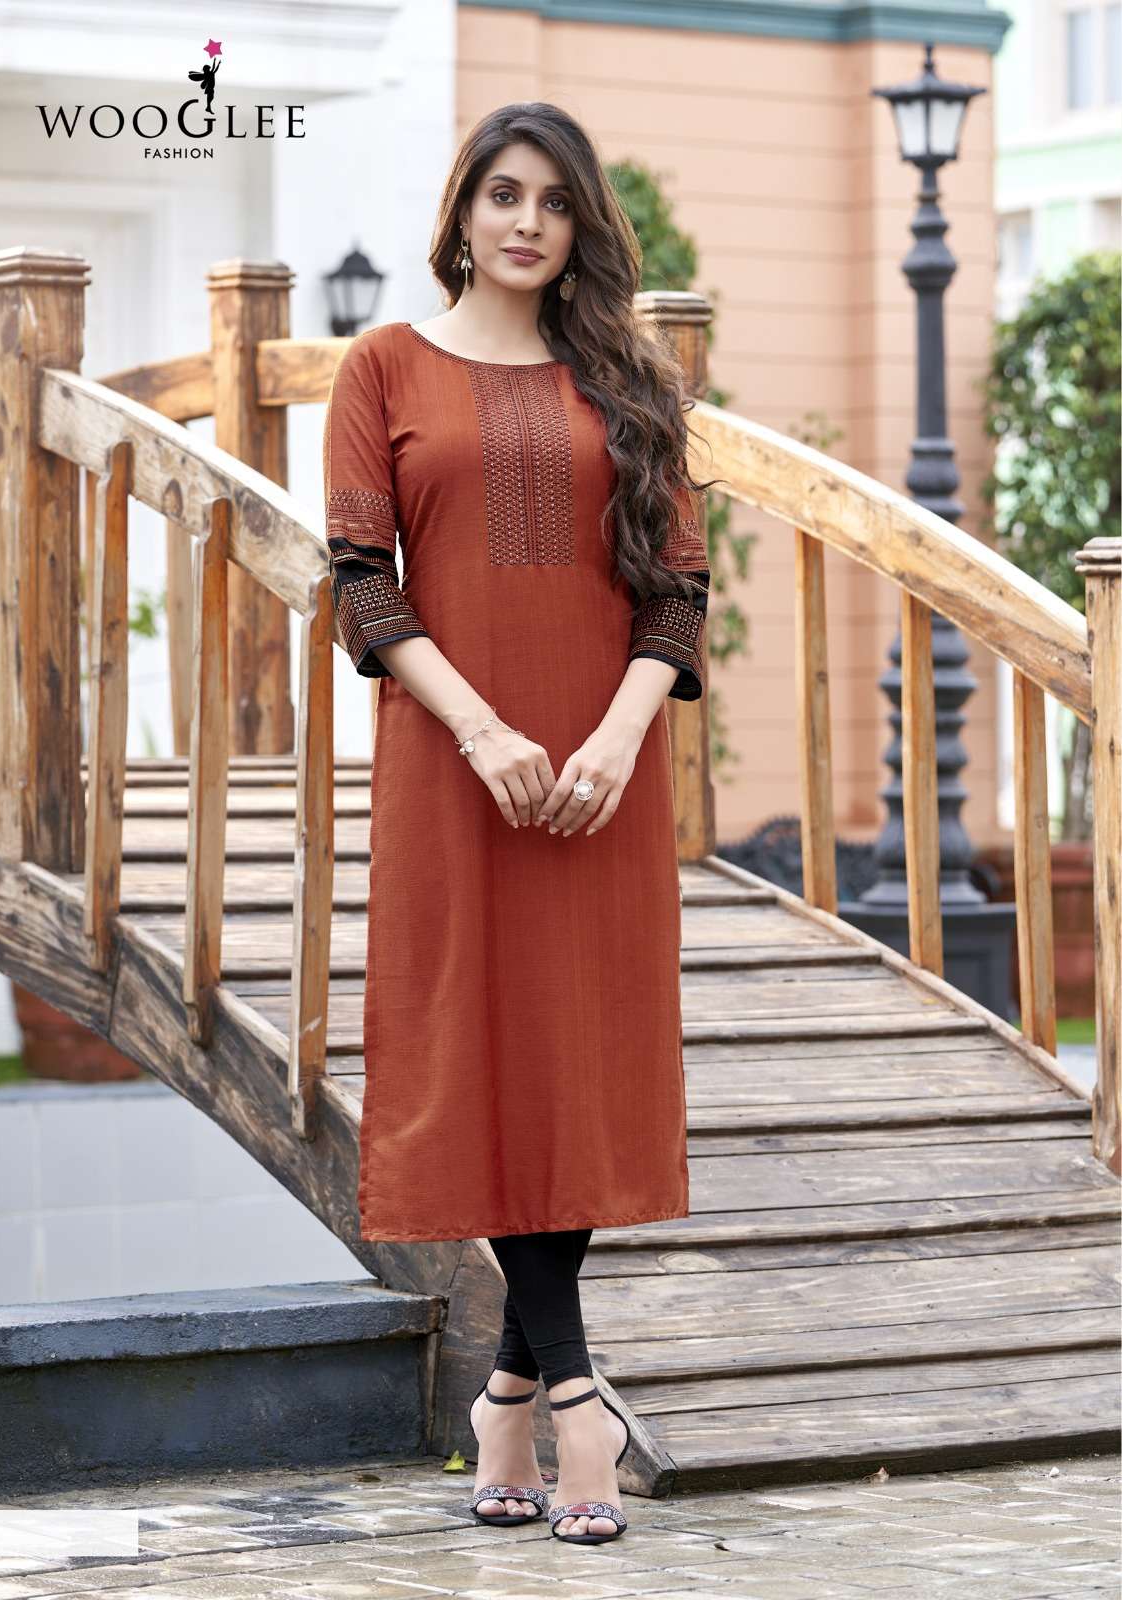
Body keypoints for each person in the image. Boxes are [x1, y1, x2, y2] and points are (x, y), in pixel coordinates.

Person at [322, 101, 716, 1546]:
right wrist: (484, 731)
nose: (528, 221)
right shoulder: (383, 365)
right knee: (478, 1044)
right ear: (463, 211)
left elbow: (679, 588)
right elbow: (362, 583)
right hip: (455, 763)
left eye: (555, 199)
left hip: (603, 772)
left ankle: (511, 1393)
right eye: (504, 193)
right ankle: (576, 1396)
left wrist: (615, 738)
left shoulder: (630, 381)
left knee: (575, 1054)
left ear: (582, 223)